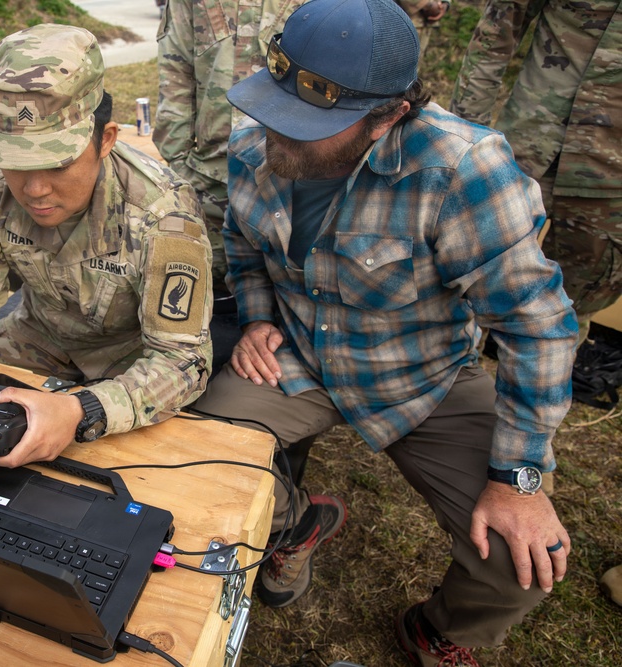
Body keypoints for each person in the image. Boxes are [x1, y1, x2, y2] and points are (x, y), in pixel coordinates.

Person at [190, 0, 578, 664]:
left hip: (423, 376)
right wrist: (256, 315)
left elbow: (537, 329)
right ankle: (296, 523)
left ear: (388, 117)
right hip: (300, 357)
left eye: (308, 124)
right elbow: (243, 244)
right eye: (276, 105)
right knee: (195, 458)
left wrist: (519, 478)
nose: (275, 133)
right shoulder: (256, 141)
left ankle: (439, 630)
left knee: (524, 559)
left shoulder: (463, 169)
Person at [0, 24, 214, 468]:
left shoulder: (165, 215)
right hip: (40, 335)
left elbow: (182, 361)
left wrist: (79, 409)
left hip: (132, 359)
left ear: (105, 140)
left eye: (56, 163)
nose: (35, 189)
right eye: (15, 163)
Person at [449, 0, 622, 348]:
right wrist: (462, 135)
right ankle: (455, 390)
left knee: (571, 311)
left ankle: (540, 397)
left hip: (611, 181)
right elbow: (496, 32)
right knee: (461, 284)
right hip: (526, 147)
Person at [154, 0, 306, 369]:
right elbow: (175, 70)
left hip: (297, 177)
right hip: (208, 178)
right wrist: (182, 167)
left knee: (295, 295)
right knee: (210, 298)